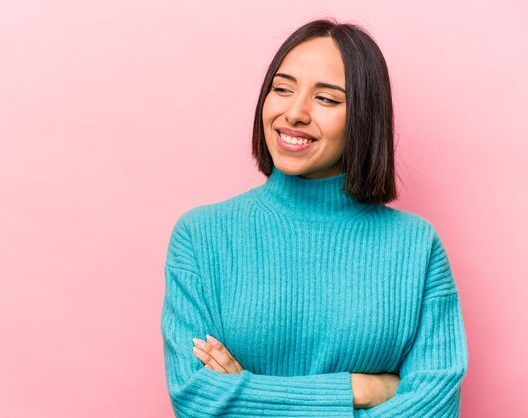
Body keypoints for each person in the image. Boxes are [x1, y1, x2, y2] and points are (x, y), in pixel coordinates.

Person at [160, 17, 468, 417]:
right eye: (282, 89)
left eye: (326, 99)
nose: (295, 113)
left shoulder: (416, 247)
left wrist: (248, 393)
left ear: (363, 116)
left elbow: (437, 407)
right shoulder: (201, 237)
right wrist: (361, 390)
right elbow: (196, 399)